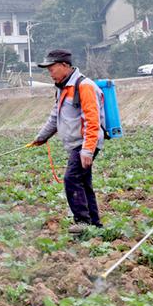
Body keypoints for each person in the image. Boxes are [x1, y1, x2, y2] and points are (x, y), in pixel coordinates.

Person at [29, 49, 105, 234]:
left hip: (84, 143)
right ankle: (94, 224)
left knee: (71, 179)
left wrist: (87, 150)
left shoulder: (84, 86)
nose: (50, 73)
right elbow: (55, 116)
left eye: (52, 68)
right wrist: (41, 137)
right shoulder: (62, 88)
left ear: (64, 66)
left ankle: (83, 222)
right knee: (83, 182)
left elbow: (92, 120)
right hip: (76, 144)